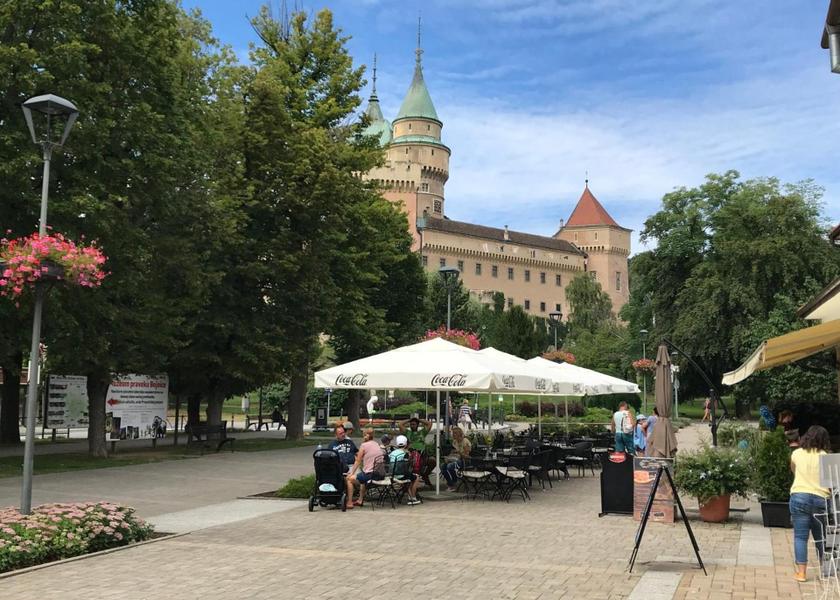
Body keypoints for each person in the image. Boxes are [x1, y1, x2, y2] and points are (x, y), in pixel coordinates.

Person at [789, 425, 832, 583]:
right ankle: (826, 570)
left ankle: (801, 573)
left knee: (800, 537)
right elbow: (831, 483)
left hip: (799, 496)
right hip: (821, 498)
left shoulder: (796, 453)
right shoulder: (826, 457)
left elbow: (794, 470)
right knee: (821, 537)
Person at [345, 428, 385, 509]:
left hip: (371, 475)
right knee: (362, 477)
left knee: (349, 479)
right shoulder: (376, 444)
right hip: (381, 474)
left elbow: (358, 461)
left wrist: (351, 473)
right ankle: (360, 500)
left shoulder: (364, 446)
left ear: (365, 436)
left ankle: (349, 502)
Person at [400, 417, 435, 486]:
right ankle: (413, 483)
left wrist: (418, 420)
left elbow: (429, 424)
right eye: (411, 424)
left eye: (414, 424)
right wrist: (409, 420)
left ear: (417, 425)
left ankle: (425, 475)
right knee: (412, 464)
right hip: (412, 455)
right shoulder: (408, 432)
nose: (412, 426)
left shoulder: (422, 432)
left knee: (433, 461)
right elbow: (400, 424)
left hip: (423, 455)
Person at [389, 435, 421, 505]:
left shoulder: (391, 453)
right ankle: (413, 497)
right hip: (402, 475)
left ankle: (410, 496)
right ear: (406, 444)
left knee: (409, 479)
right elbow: (409, 466)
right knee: (416, 477)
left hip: (392, 476)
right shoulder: (406, 453)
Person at [441, 426, 472, 492]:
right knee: (443, 466)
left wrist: (458, 452)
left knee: (450, 466)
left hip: (465, 461)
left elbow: (467, 456)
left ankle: (454, 482)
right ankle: (451, 484)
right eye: (453, 433)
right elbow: (453, 453)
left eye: (454, 433)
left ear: (459, 434)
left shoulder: (465, 441)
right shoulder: (455, 442)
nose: (453, 435)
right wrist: (449, 457)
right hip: (457, 460)